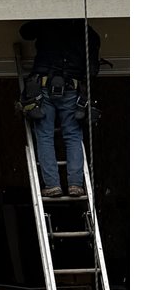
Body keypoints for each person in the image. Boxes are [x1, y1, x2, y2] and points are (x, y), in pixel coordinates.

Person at [19, 19, 102, 198]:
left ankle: (52, 185)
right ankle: (75, 185)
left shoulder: (48, 23)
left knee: (45, 136)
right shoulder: (86, 31)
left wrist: (42, 15)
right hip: (71, 89)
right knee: (73, 136)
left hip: (43, 87)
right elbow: (93, 67)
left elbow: (25, 32)